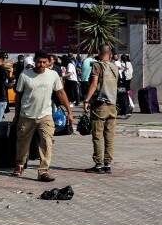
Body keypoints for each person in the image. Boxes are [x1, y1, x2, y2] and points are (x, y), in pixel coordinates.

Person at [13, 51, 72, 182]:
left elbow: (61, 93)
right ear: (35, 61)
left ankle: (43, 171)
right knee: (23, 143)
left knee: (47, 142)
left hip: (45, 115)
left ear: (49, 62)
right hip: (26, 115)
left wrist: (70, 112)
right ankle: (20, 164)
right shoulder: (25, 75)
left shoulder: (53, 75)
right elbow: (18, 97)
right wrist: (16, 115)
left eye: (44, 62)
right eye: (39, 62)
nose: (41, 65)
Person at [83, 45, 120, 174]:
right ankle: (108, 164)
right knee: (109, 136)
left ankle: (98, 164)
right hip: (113, 106)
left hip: (100, 106)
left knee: (98, 135)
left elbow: (94, 84)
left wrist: (87, 99)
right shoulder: (115, 67)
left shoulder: (97, 66)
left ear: (99, 52)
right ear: (109, 54)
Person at [116, 53, 134, 118]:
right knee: (125, 95)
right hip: (127, 81)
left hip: (122, 82)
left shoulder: (122, 64)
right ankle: (128, 108)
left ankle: (125, 110)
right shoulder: (129, 63)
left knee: (122, 96)